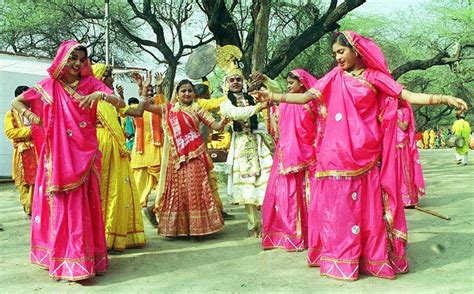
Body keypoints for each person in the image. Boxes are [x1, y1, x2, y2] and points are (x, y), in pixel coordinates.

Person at [254, 31, 467, 281]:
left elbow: (407, 96)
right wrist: (273, 96)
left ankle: (368, 258)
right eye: (334, 53)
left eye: (341, 52)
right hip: (334, 156)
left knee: (364, 209)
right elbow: (304, 97)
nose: (337, 58)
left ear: (356, 50)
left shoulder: (374, 77)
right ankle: (340, 257)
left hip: (365, 155)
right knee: (338, 209)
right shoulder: (334, 77)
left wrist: (445, 98)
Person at [10, 40, 128, 281]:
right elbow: (17, 101)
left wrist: (99, 95)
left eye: (82, 59)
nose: (77, 63)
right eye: (73, 58)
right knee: (63, 208)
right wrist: (33, 116)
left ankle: (84, 260)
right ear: (62, 59)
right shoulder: (49, 86)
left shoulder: (91, 83)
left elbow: (121, 103)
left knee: (84, 207)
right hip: (58, 157)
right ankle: (64, 260)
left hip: (84, 156)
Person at [149, 79, 228, 237]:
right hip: (177, 157)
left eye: (189, 91)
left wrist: (224, 120)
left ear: (194, 94)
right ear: (177, 94)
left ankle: (198, 228)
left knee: (196, 188)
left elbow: (216, 126)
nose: (186, 93)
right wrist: (145, 91)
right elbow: (146, 107)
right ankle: (179, 229)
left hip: (195, 154)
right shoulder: (169, 109)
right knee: (177, 191)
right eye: (183, 91)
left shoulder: (197, 108)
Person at [261, 69, 322, 251]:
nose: (288, 86)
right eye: (287, 83)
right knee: (288, 196)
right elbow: (276, 129)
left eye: (291, 83)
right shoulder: (283, 104)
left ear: (302, 83)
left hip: (307, 154)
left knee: (308, 195)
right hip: (287, 154)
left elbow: (318, 126)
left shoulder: (311, 103)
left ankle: (312, 236)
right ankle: (290, 235)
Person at [91, 63, 146, 253]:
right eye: (109, 76)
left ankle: (116, 234)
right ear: (100, 78)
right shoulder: (97, 101)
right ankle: (104, 237)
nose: (112, 80)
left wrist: (144, 92)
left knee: (117, 188)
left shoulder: (111, 101)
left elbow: (138, 113)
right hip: (102, 145)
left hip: (113, 147)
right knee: (106, 189)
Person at [218, 69, 273, 238]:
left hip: (258, 143)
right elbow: (236, 114)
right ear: (226, 84)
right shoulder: (225, 103)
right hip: (241, 145)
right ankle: (252, 225)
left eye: (238, 79)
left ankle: (267, 224)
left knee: (265, 183)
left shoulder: (254, 97)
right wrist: (258, 107)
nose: (235, 82)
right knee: (247, 186)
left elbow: (275, 93)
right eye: (232, 80)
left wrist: (265, 79)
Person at [130, 72, 165, 227]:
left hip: (157, 152)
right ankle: (134, 222)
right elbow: (140, 103)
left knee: (163, 186)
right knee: (138, 191)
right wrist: (141, 87)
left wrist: (159, 86)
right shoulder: (135, 108)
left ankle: (157, 212)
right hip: (140, 153)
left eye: (152, 91)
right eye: (147, 91)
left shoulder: (158, 106)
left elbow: (162, 99)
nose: (150, 93)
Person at [4, 86, 38, 216]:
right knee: (24, 183)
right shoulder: (11, 113)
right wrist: (32, 131)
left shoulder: (35, 111)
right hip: (22, 152)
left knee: (37, 181)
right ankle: (29, 208)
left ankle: (35, 209)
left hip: (36, 150)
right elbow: (10, 132)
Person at [395, 101, 425, 207]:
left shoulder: (405, 111)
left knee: (405, 171)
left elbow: (404, 127)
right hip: (392, 146)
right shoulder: (387, 111)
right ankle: (396, 199)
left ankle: (408, 199)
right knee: (394, 172)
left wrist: (395, 117)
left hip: (403, 145)